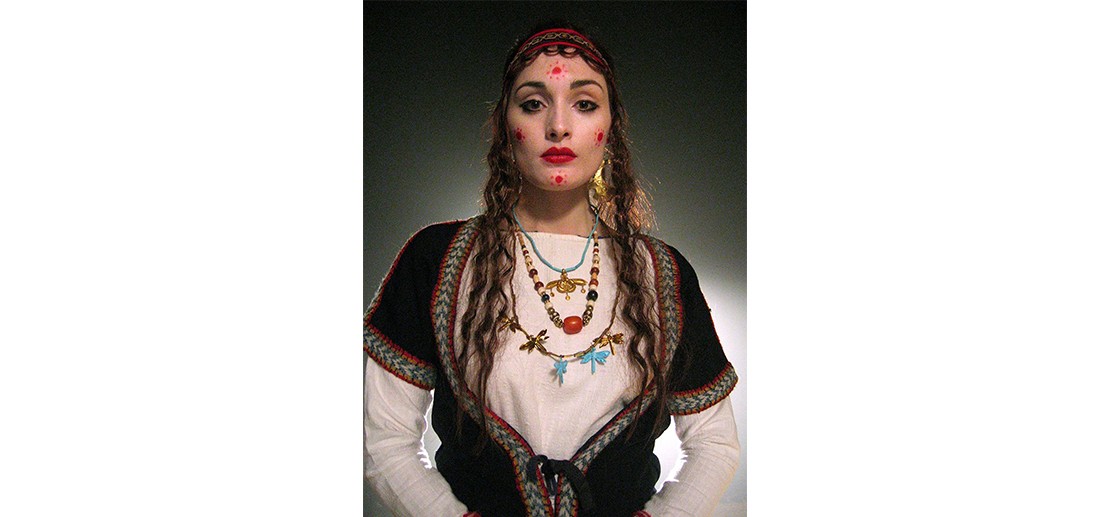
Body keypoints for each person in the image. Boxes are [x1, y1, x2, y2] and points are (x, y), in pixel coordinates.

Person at [364, 22, 740, 517]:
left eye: (584, 104)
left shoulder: (661, 273)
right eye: (533, 104)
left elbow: (715, 443)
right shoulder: (435, 259)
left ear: (611, 126)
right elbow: (385, 437)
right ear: (504, 124)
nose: (558, 126)